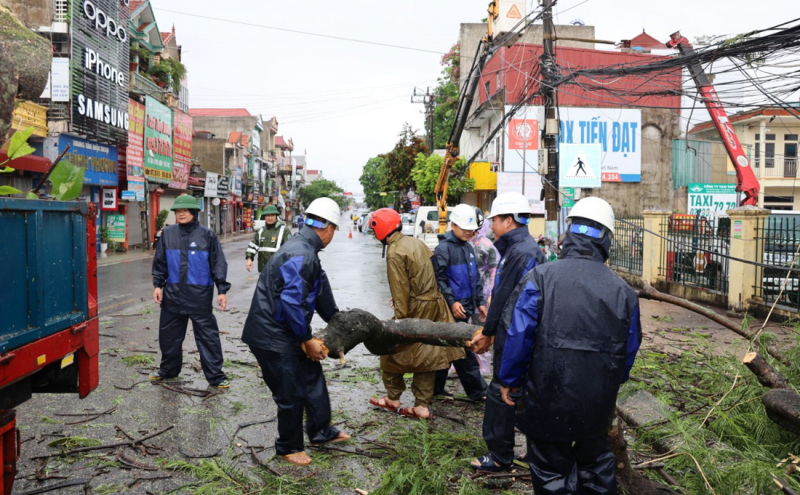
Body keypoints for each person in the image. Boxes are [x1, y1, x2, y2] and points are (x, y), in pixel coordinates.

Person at [497, 197, 642, 494]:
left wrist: (509, 380)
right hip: (597, 401)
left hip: (546, 395)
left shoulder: (541, 277)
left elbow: (519, 335)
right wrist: (610, 381)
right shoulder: (624, 292)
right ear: (606, 239)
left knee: (551, 471)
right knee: (597, 465)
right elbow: (629, 351)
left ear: (569, 233)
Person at [242, 197, 350, 466]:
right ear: (328, 228)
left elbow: (319, 289)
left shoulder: (305, 250)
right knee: (290, 393)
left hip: (285, 329)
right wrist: (306, 339)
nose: (333, 235)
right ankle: (288, 447)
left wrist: (336, 320)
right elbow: (292, 303)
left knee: (311, 377)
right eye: (335, 229)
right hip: (272, 336)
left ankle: (321, 431)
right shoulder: (302, 254)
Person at [469, 191, 547, 471]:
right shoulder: (522, 248)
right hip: (521, 331)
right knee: (523, 391)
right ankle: (536, 451)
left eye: (495, 220)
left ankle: (501, 455)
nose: (490, 225)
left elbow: (504, 298)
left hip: (514, 333)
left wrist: (487, 332)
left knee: (501, 390)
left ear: (509, 220)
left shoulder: (521, 252)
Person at [368, 208, 464, 420]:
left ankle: (393, 398)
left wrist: (399, 321)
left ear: (380, 229)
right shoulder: (415, 242)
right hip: (435, 307)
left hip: (415, 309)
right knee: (427, 356)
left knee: (389, 351)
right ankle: (422, 405)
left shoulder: (394, 252)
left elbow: (400, 289)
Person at [150, 194, 230, 388]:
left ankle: (216, 376)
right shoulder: (168, 234)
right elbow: (160, 261)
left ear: (194, 212)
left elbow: (218, 263)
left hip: (199, 296)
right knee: (169, 337)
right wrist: (158, 285)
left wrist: (221, 289)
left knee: (208, 338)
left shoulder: (207, 235)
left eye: (185, 210)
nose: (181, 214)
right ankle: (168, 371)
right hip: (173, 295)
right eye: (178, 211)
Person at [432, 204, 488, 401]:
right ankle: (478, 391)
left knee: (446, 348)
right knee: (465, 350)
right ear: (453, 225)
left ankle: (435, 389)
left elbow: (475, 277)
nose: (468, 232)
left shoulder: (468, 247)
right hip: (451, 310)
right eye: (464, 229)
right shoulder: (443, 249)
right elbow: (439, 280)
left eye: (471, 229)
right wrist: (452, 301)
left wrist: (480, 301)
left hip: (467, 307)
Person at [468, 208, 500, 376]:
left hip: (483, 298)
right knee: (464, 330)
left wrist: (491, 297)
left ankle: (484, 366)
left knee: (481, 331)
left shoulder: (487, 246)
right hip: (465, 298)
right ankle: (464, 365)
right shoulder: (462, 243)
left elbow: (495, 272)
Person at [246, 205, 292, 273]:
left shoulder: (284, 230)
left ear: (276, 216)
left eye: (272, 215)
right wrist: (249, 259)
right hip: (263, 271)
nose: (270, 218)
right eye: (267, 215)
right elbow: (252, 246)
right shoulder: (261, 231)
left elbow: (290, 250)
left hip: (278, 272)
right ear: (264, 217)